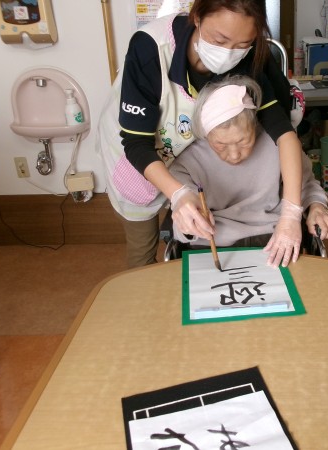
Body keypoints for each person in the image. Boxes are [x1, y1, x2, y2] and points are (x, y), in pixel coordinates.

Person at [96, 0, 305, 268]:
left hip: (186, 155)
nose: (229, 54)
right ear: (196, 17)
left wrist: (291, 214)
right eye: (220, 40)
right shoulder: (151, 48)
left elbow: (284, 134)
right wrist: (178, 194)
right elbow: (136, 142)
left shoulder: (250, 57)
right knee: (143, 249)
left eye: (243, 44)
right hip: (137, 156)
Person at [169, 75, 328, 266]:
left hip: (275, 237)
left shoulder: (278, 143)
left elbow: (307, 183)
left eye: (243, 141)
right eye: (221, 145)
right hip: (211, 243)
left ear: (254, 124)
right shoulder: (187, 160)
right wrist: (189, 223)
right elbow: (183, 217)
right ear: (206, 135)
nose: (234, 155)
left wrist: (316, 206)